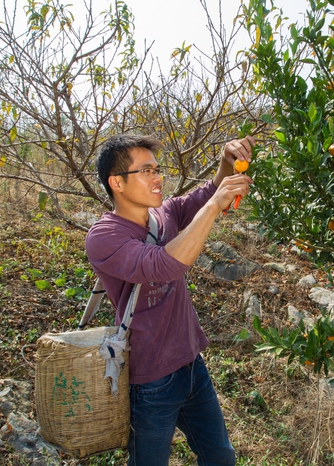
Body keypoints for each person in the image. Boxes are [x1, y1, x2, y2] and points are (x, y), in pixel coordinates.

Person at [85, 133, 254, 465]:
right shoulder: (104, 237)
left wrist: (225, 161)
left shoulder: (163, 214)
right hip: (150, 382)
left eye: (157, 169)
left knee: (221, 458)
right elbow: (162, 264)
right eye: (146, 171)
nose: (158, 177)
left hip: (191, 365)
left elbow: (201, 197)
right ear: (116, 182)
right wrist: (213, 205)